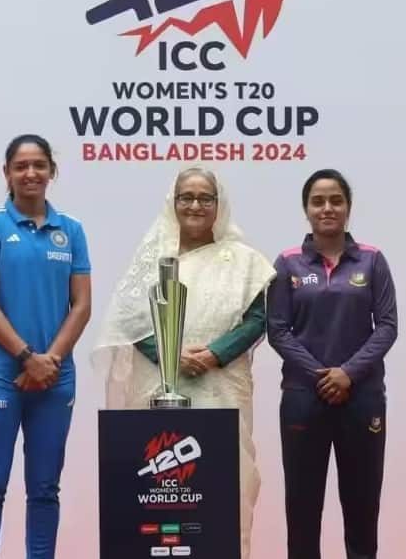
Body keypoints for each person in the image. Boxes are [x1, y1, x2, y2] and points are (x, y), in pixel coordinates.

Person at [94, 166, 275, 558]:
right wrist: (169, 355)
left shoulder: (245, 260)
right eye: (186, 197)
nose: (195, 205)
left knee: (223, 492)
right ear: (172, 203)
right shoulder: (152, 259)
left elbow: (259, 318)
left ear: (218, 205)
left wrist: (215, 354)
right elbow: (127, 322)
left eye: (204, 198)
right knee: (159, 496)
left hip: (221, 387)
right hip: (157, 383)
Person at [0, 134, 92, 559]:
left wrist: (49, 362)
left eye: (39, 165)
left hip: (54, 380)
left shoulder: (70, 230)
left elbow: (81, 306)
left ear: (51, 172)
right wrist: (26, 357)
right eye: (21, 166)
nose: (31, 173)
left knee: (44, 489)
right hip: (1, 377)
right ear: (7, 173)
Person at [266, 169, 397, 559]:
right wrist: (321, 375)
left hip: (363, 398)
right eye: (318, 201)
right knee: (302, 508)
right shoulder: (288, 263)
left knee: (362, 505)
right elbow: (278, 330)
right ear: (306, 210)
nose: (327, 208)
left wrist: (348, 374)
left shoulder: (372, 260)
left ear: (348, 208)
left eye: (335, 200)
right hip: (304, 398)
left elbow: (387, 326)